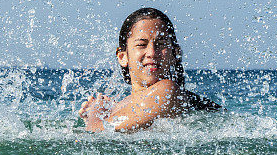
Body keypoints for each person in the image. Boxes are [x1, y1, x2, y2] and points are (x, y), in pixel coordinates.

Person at [78, 7, 222, 132]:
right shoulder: (124, 104)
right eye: (141, 45)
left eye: (161, 44)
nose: (152, 53)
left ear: (174, 54)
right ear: (122, 57)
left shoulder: (167, 90)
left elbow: (101, 132)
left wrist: (95, 112)